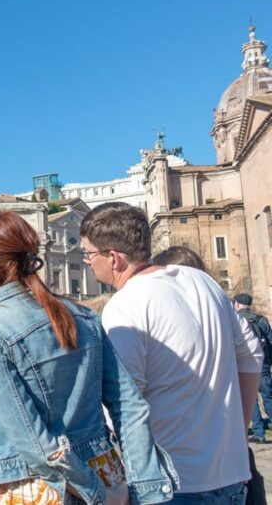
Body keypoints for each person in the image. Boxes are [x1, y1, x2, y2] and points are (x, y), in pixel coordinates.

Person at [0, 211, 177, 504]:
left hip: (33, 489)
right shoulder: (83, 317)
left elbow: (35, 444)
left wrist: (98, 495)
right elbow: (130, 407)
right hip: (105, 472)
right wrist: (143, 489)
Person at [80, 202, 262, 502]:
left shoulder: (125, 305)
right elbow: (252, 354)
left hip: (173, 482)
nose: (87, 261)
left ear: (113, 258)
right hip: (230, 473)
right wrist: (238, 431)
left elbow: (125, 403)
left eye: (88, 253)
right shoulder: (202, 281)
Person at [152, 248, 268, 502]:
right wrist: (242, 425)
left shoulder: (161, 306)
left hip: (181, 470)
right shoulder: (218, 304)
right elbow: (252, 353)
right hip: (227, 464)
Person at [234, 293, 272, 444]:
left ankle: (258, 433)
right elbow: (270, 341)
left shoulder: (236, 320)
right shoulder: (261, 319)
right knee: (268, 396)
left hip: (244, 365)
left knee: (251, 400)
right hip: (263, 364)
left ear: (237, 304)